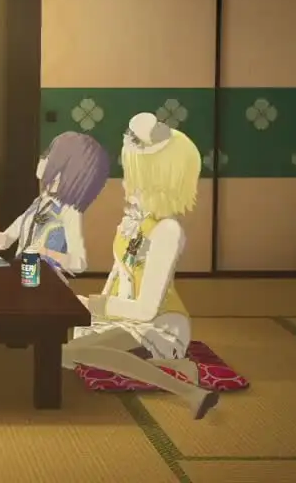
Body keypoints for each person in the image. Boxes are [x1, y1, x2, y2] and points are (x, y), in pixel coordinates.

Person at [61, 112, 219, 419]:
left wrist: (93, 304)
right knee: (63, 345)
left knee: (69, 352)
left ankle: (190, 392)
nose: (126, 182)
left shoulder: (167, 230)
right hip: (122, 313)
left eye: (135, 174)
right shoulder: (133, 222)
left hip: (158, 323)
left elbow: (147, 310)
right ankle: (176, 368)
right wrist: (93, 307)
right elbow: (118, 275)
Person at [0, 131, 109, 279]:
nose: (42, 159)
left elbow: (79, 264)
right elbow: (5, 242)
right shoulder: (39, 202)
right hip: (23, 275)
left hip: (46, 280)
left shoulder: (69, 212)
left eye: (50, 156)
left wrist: (45, 252)